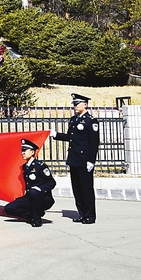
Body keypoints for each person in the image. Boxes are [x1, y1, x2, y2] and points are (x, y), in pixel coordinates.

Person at [50, 93, 100, 224]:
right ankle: (82, 213)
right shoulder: (73, 120)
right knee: (77, 188)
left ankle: (89, 215)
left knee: (86, 189)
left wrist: (91, 160)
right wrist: (55, 135)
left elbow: (94, 142)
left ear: (85, 104)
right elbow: (69, 137)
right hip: (74, 158)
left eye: (77, 103)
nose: (75, 106)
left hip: (84, 159)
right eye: (74, 104)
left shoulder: (91, 121)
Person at [4, 139, 56, 227]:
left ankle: (37, 219)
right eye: (22, 150)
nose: (22, 153)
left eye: (25, 150)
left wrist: (39, 189)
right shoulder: (25, 167)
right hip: (30, 197)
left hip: (43, 198)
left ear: (32, 152)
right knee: (9, 208)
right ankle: (33, 216)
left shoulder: (40, 166)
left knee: (33, 192)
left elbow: (51, 182)